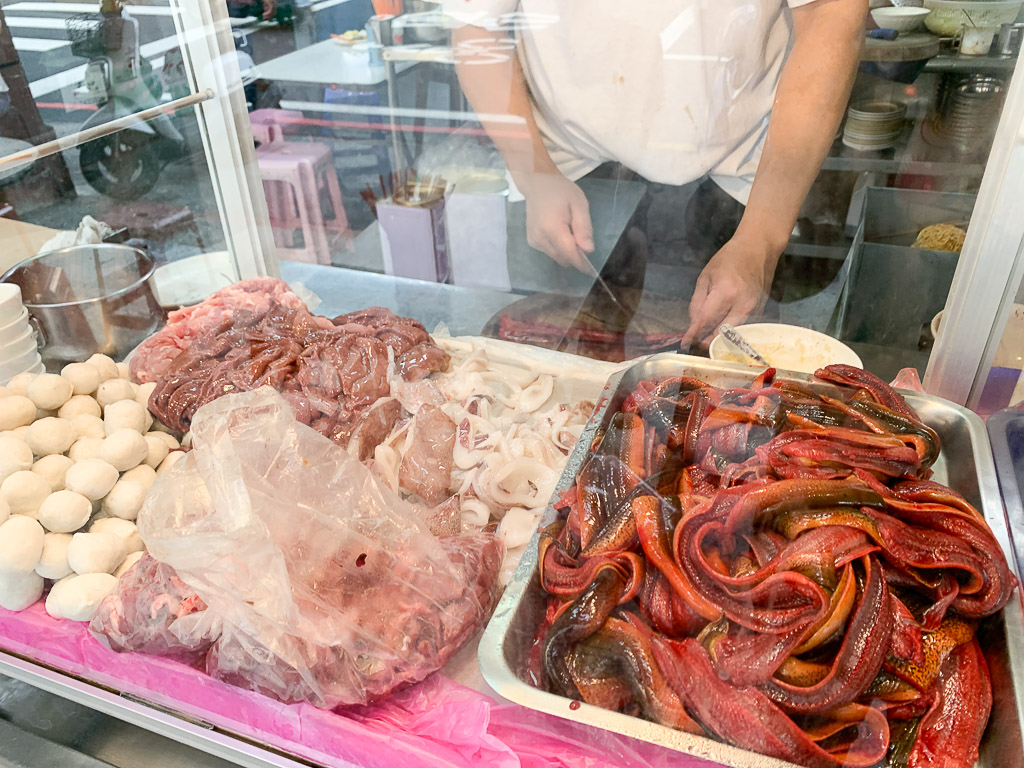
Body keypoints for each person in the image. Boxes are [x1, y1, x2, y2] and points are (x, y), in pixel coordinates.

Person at [446, 0, 866, 344]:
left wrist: (762, 237)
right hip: (561, 168)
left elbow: (831, 14)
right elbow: (475, 25)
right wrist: (534, 175)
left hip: (742, 178)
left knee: (725, 402)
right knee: (537, 384)